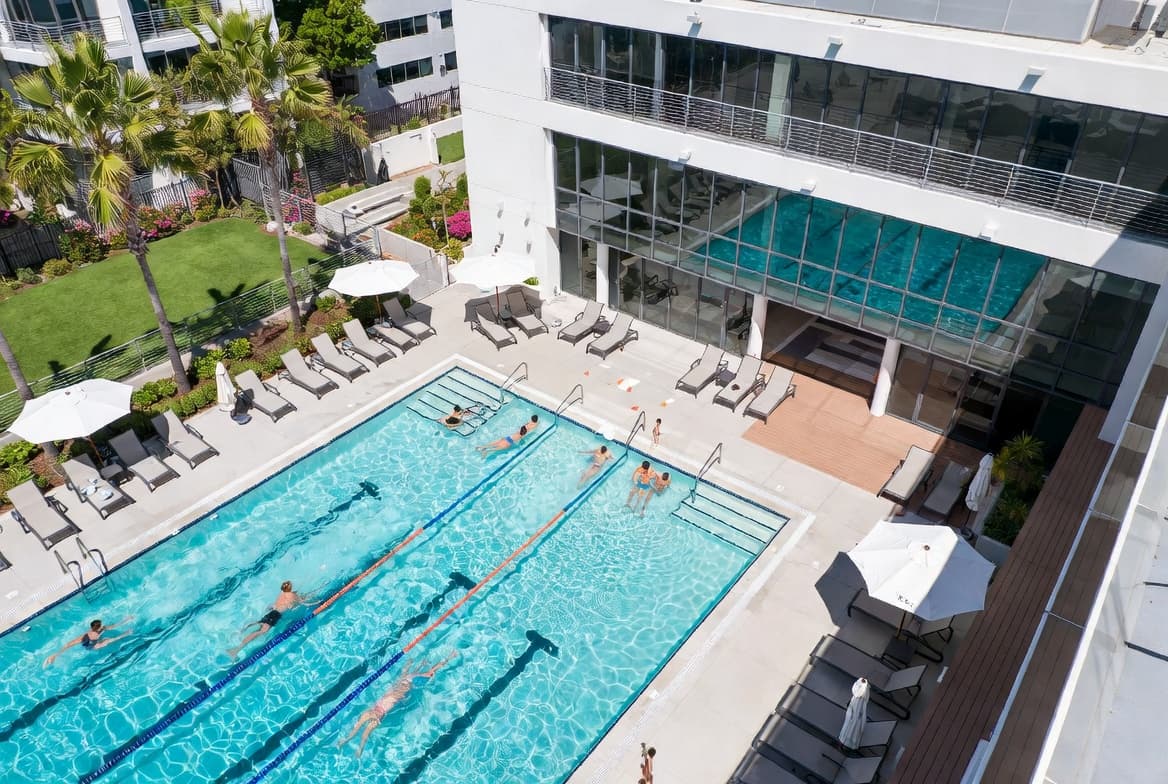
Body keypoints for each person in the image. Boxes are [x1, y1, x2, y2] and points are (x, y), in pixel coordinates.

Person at [338, 653, 457, 757]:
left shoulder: (403, 679)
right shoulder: (408, 684)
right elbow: (432, 671)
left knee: (358, 727)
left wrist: (411, 664)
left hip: (376, 708)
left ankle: (346, 740)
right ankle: (358, 749)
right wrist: (447, 659)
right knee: (365, 733)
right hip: (380, 712)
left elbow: (407, 669)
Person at [227, 581, 315, 659]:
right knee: (261, 631)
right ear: (290, 588)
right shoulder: (292, 595)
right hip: (275, 615)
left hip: (272, 612)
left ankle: (244, 631)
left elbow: (275, 605)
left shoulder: (282, 593)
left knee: (260, 623)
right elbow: (301, 602)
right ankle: (235, 651)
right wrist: (313, 602)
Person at [44, 618, 132, 667]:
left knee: (106, 638)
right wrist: (56, 654)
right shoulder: (87, 636)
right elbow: (69, 644)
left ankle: (125, 634)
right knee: (108, 640)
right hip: (91, 646)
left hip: (93, 642)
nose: (102, 626)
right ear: (97, 628)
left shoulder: (101, 629)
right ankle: (126, 634)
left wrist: (126, 620)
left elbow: (114, 626)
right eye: (101, 625)